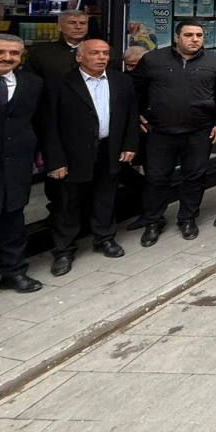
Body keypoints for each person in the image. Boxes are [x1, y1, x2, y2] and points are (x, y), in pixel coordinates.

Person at [42, 39, 139, 275]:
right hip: (73, 154)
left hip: (109, 149)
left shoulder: (121, 81)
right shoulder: (59, 83)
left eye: (105, 53)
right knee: (68, 202)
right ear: (79, 57)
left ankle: (104, 238)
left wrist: (129, 145)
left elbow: (131, 116)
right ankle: (64, 250)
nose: (101, 57)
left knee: (105, 196)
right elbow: (48, 126)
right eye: (94, 53)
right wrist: (55, 160)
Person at [134, 20, 216, 245]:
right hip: (160, 132)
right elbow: (135, 89)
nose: (195, 39)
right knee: (156, 178)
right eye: (189, 35)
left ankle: (187, 218)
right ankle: (153, 222)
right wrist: (136, 114)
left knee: (194, 177)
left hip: (199, 132)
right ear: (177, 37)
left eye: (199, 35)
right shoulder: (152, 59)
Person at [0, 34, 44, 295]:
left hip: (15, 167)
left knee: (12, 224)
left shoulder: (32, 84)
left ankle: (14, 273)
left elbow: (38, 122)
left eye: (14, 53)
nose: (7, 58)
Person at [25, 10, 90, 81]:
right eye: (72, 23)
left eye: (83, 23)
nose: (78, 27)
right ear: (59, 27)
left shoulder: (101, 51)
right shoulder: (40, 53)